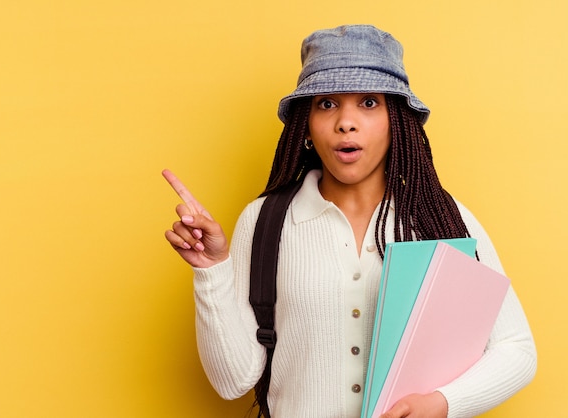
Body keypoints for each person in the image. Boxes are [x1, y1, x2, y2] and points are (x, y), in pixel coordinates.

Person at [163, 24, 536, 418]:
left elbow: (517, 350)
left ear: (398, 121)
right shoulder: (264, 221)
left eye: (369, 102)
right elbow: (232, 381)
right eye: (327, 103)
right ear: (305, 125)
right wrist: (212, 270)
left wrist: (443, 404)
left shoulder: (440, 216)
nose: (346, 121)